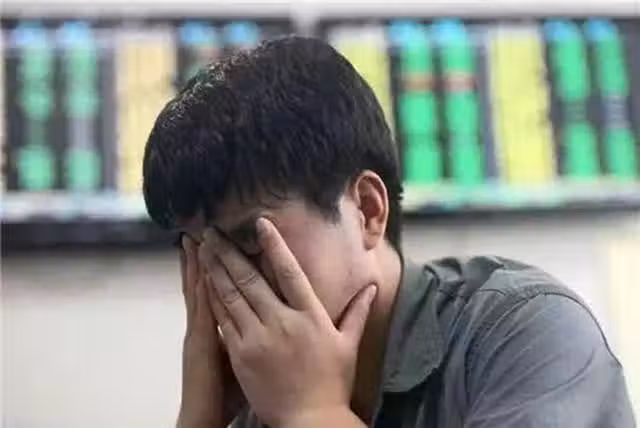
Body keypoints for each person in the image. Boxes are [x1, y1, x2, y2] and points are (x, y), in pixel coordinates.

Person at [142, 36, 636, 428]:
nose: (225, 281)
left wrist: (315, 415)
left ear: (367, 209)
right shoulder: (258, 400)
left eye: (250, 239)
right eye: (200, 253)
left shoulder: (523, 332)